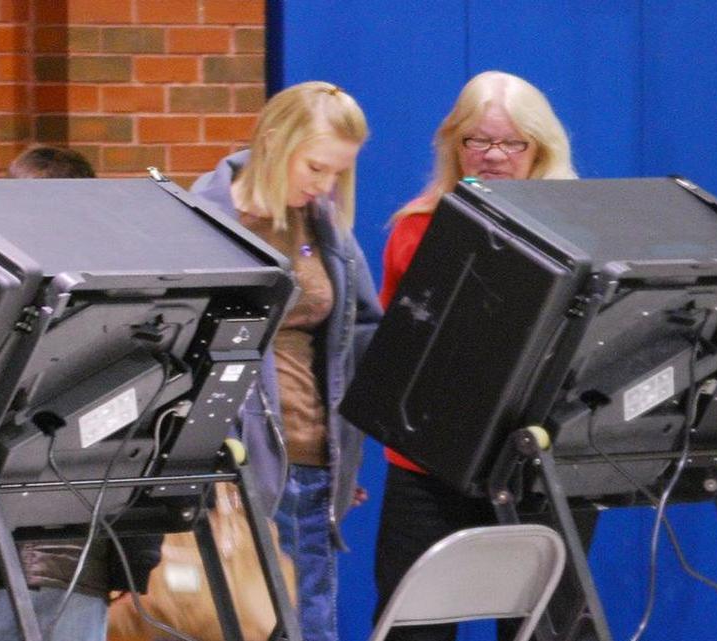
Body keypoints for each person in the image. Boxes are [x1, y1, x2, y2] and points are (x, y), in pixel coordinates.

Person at [373, 70, 578, 641]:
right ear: (453, 144)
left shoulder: (579, 231)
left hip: (539, 462)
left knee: (548, 629)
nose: (492, 156)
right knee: (413, 630)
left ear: (540, 149)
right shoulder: (416, 229)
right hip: (430, 465)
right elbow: (400, 352)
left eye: (511, 143)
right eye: (476, 141)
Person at [190, 81, 383, 641]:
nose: (326, 186)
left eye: (338, 174)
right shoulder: (204, 219)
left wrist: (347, 449)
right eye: (316, 168)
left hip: (314, 467)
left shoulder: (325, 229)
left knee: (310, 625)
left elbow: (360, 335)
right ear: (274, 141)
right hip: (233, 473)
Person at [0, 144, 159, 641]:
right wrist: (133, 561)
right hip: (65, 553)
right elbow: (145, 431)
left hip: (4, 548)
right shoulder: (123, 306)